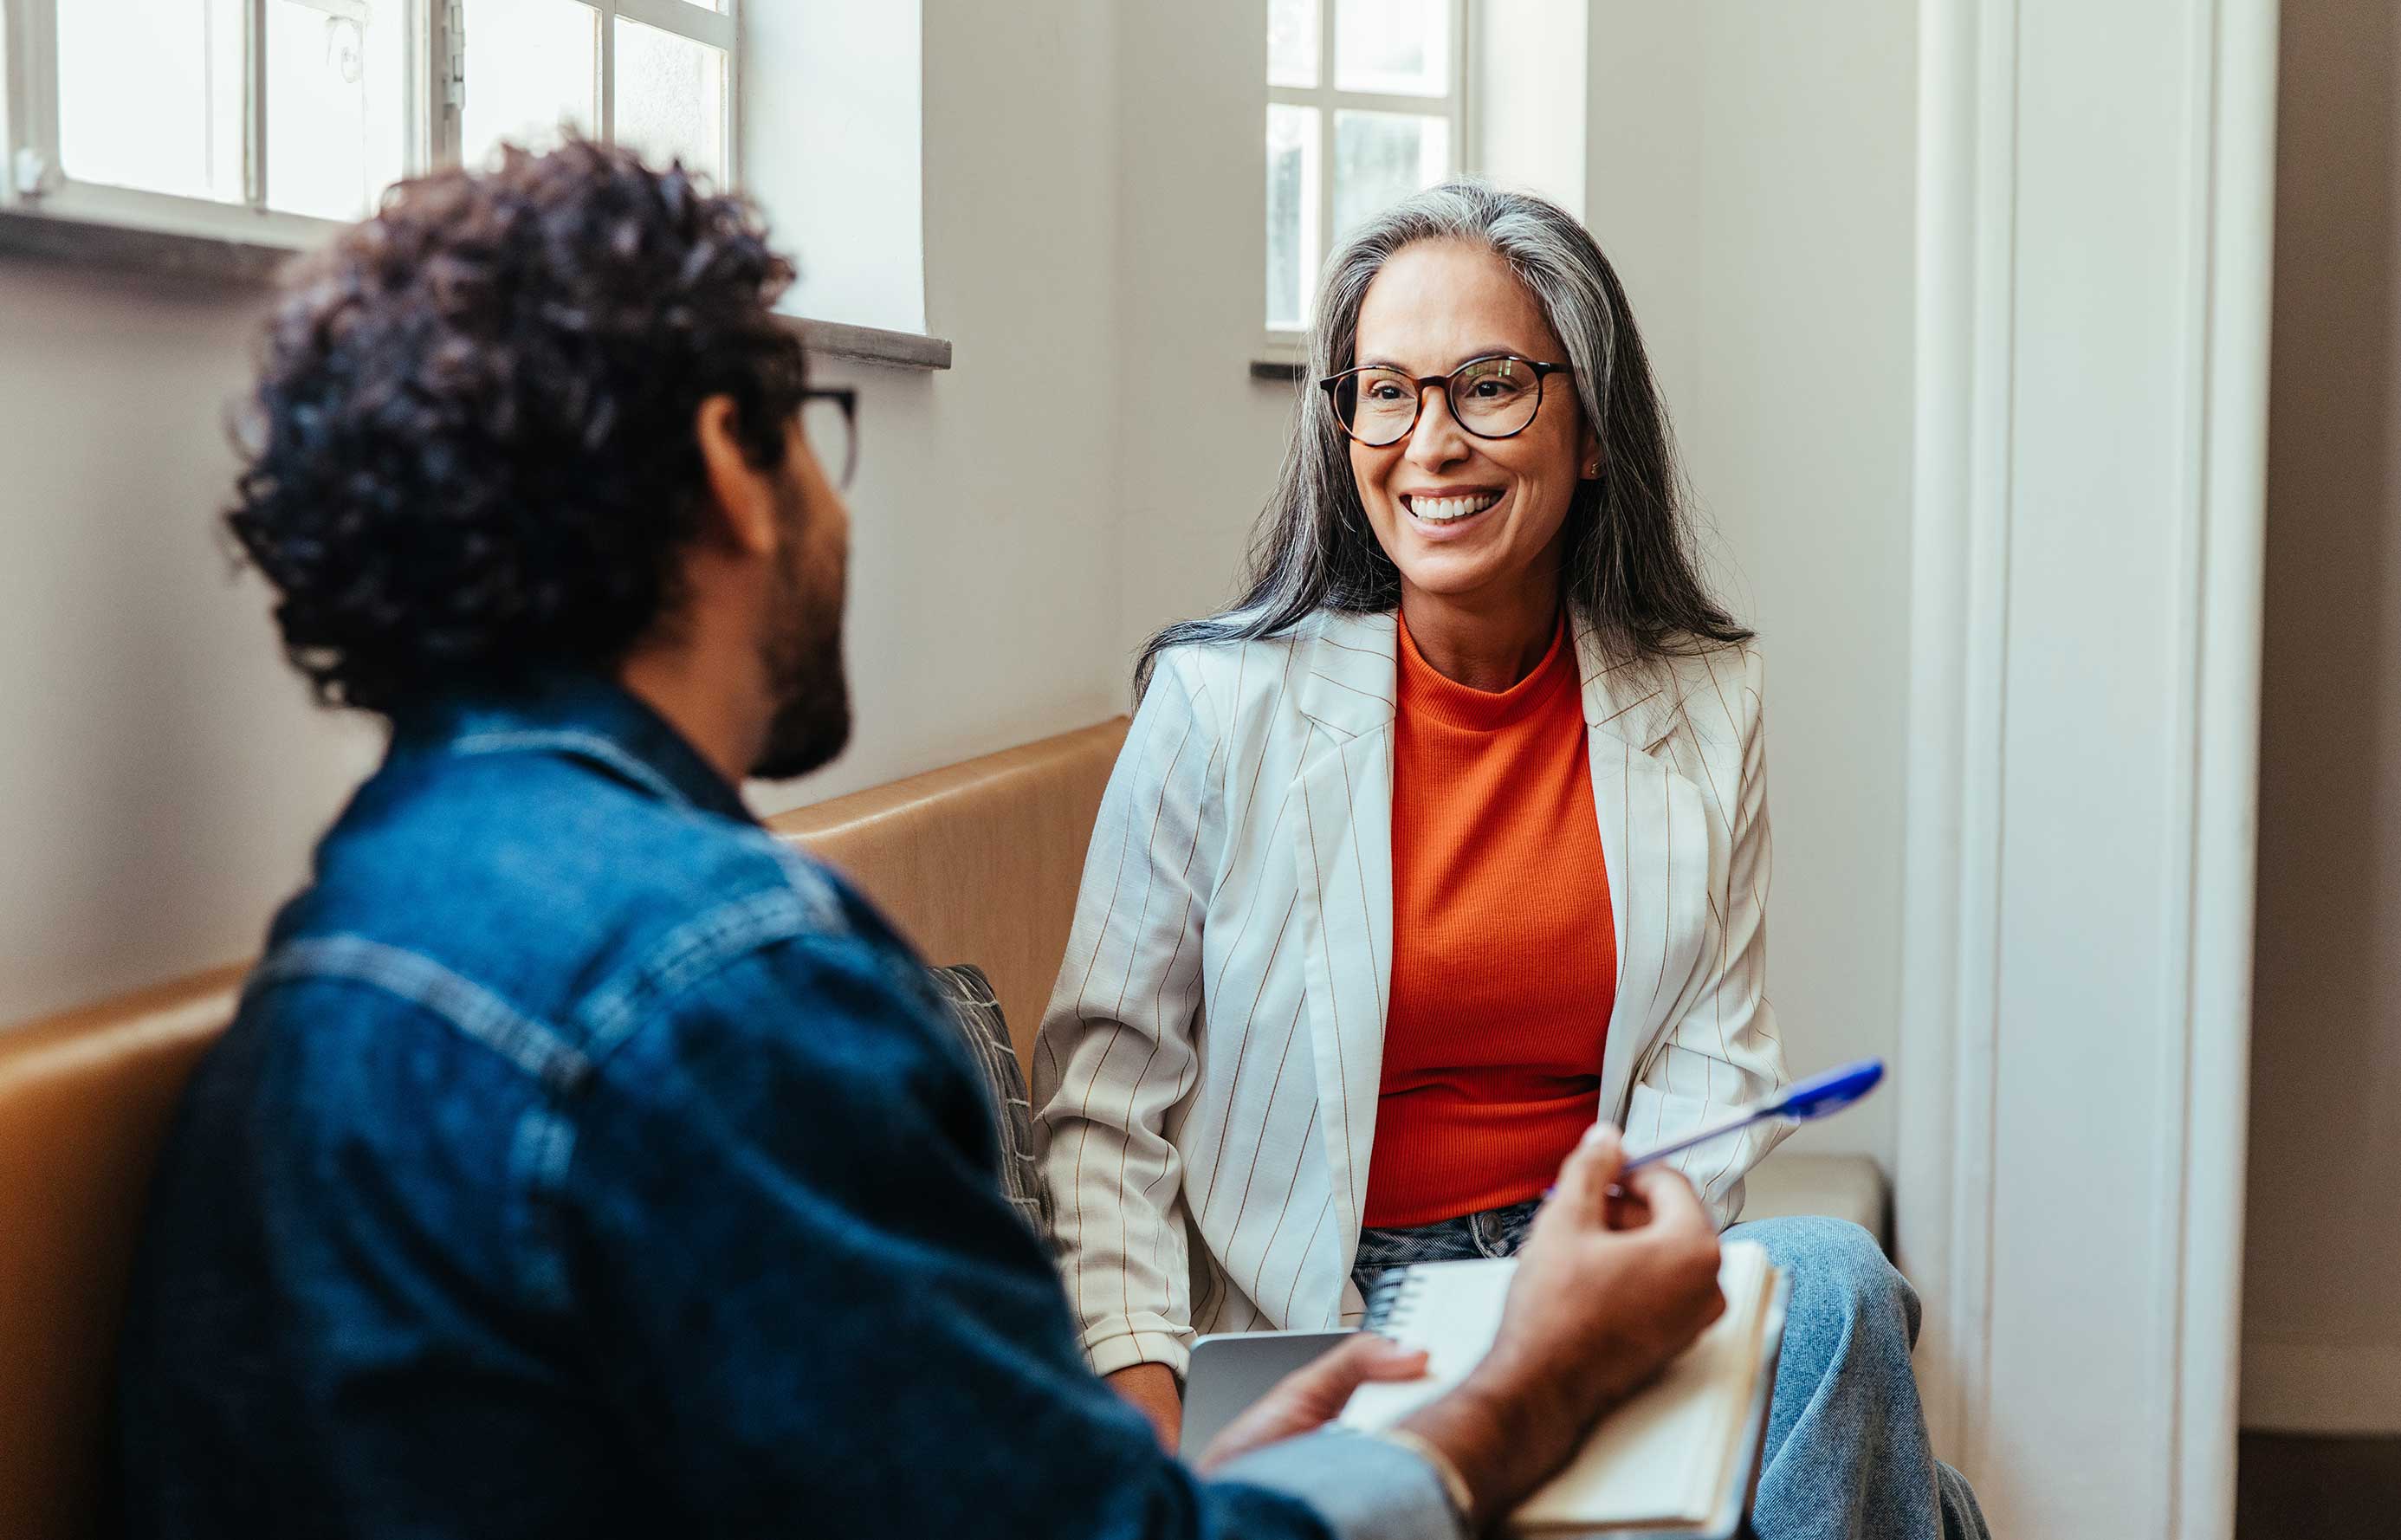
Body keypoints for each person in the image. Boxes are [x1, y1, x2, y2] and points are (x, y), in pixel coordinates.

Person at [108, 142, 1738, 1540]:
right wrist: (1522, 1391)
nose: (836, 502)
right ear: (729, 473)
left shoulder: (352, 926)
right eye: (811, 426)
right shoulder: (730, 1001)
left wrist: (1201, 1479)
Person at [1032, 182, 1990, 1540]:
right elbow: (1104, 1104)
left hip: (1589, 1266)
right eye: (1387, 392)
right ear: (1345, 423)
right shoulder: (1217, 707)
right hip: (1335, 1326)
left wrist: (1581, 1309)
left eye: (1489, 385)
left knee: (1833, 1281)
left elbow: (1713, 1060)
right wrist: (1148, 1428)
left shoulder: (1707, 701)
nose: (1431, 443)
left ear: (1591, 428)